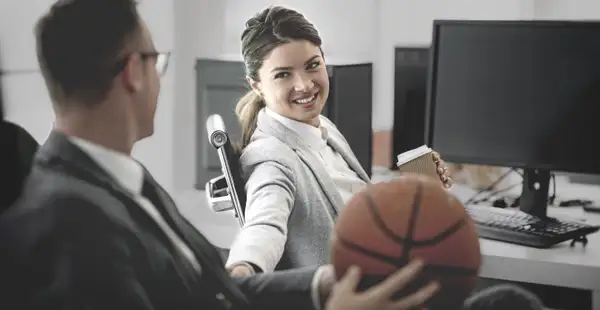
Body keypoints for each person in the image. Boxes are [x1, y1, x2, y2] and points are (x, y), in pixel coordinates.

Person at [0, 1, 442, 309]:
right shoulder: (71, 223)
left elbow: (213, 290)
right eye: (158, 61)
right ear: (135, 72)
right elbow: (260, 232)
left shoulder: (123, 180)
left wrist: (324, 288)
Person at [226, 5, 451, 277]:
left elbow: (354, 201)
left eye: (312, 66)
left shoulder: (324, 128)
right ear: (257, 85)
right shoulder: (271, 158)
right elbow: (264, 226)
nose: (305, 85)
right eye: (283, 74)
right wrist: (242, 271)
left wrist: (411, 189)